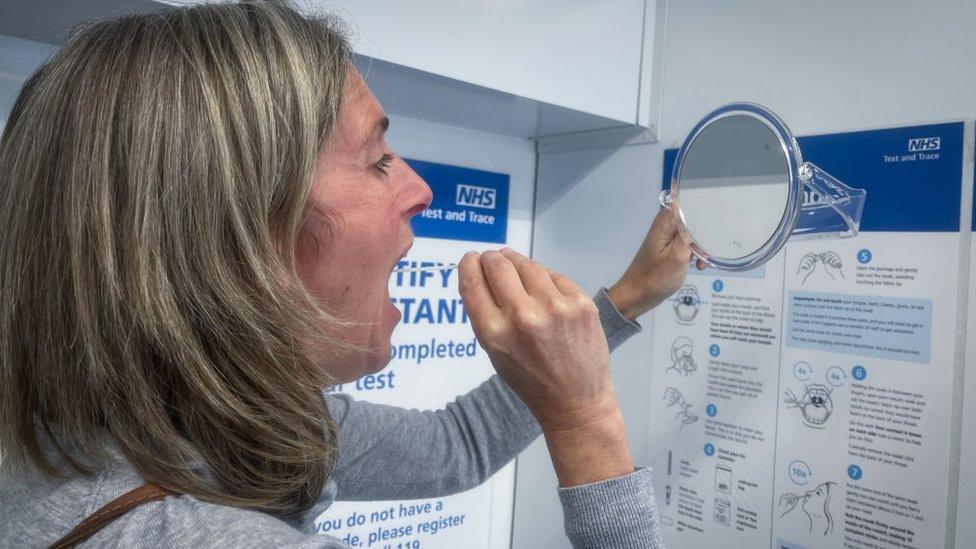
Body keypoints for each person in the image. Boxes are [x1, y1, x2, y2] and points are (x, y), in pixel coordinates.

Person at [0, 1, 693, 547]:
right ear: (230, 235)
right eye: (377, 158)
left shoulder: (195, 421)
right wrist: (588, 420)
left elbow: (457, 446)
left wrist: (628, 298)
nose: (420, 188)